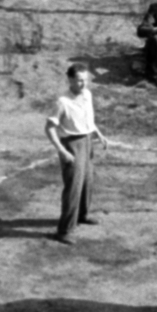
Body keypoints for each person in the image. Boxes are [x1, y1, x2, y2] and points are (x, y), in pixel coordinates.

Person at [44, 63, 108, 245]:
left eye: (85, 80)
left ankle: (82, 215)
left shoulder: (87, 95)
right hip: (72, 145)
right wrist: (62, 151)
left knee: (88, 181)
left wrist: (98, 133)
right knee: (73, 187)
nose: (83, 84)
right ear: (70, 80)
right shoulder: (62, 102)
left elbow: (88, 119)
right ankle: (64, 230)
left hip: (87, 141)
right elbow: (49, 129)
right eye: (79, 80)